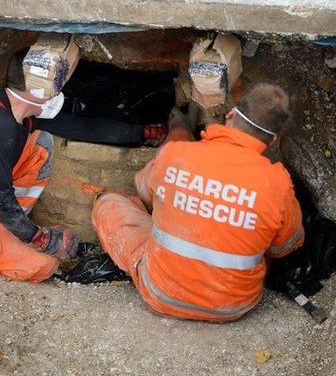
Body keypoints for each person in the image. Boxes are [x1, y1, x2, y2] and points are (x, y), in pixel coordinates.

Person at [0, 52, 167, 283]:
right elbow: (1, 201)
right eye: (55, 83)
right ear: (36, 89)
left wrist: (142, 132)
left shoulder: (14, 106)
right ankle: (15, 230)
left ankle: (16, 225)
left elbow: (79, 127)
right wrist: (42, 239)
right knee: (44, 264)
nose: (60, 89)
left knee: (40, 145)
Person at [92, 82, 304, 321]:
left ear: (231, 114)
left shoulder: (177, 154)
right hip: (233, 306)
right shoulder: (278, 183)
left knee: (108, 203)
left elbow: (142, 189)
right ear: (272, 140)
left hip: (163, 293)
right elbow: (285, 247)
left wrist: (182, 198)